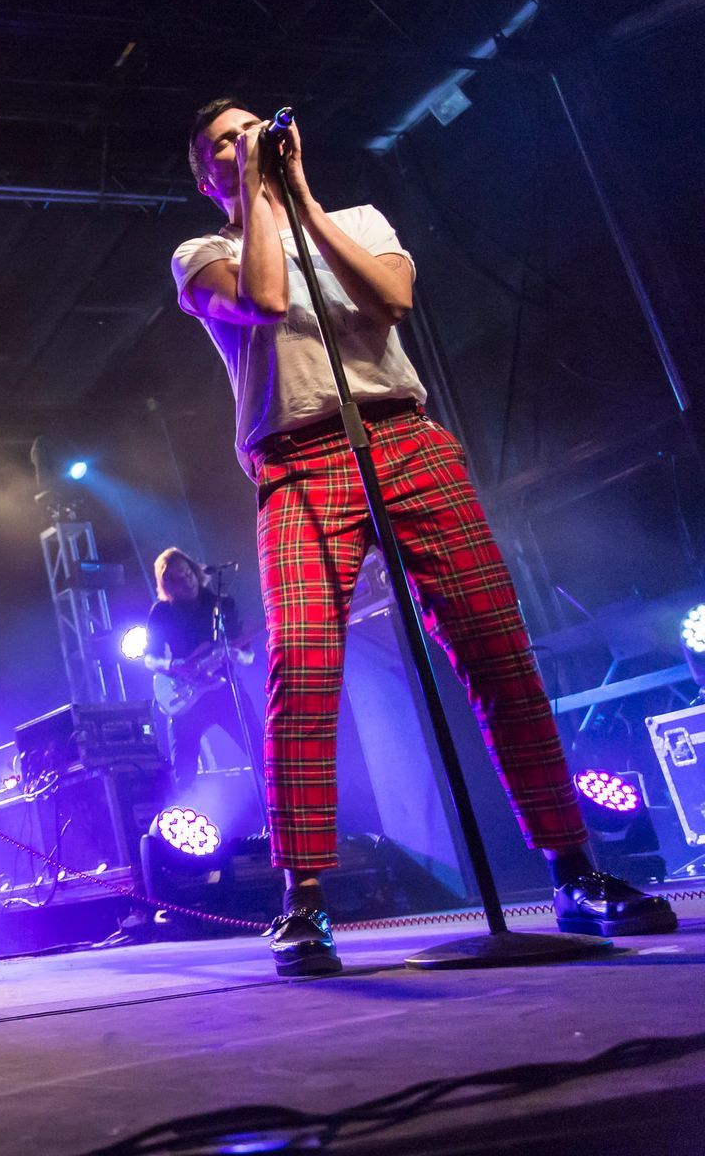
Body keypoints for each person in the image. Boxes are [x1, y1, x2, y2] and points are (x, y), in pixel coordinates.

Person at [170, 98, 675, 977]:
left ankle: (572, 871)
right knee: (305, 663)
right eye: (224, 142)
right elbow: (264, 300)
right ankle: (305, 901)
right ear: (206, 172)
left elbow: (393, 298)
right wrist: (257, 196)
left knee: (497, 649)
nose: (245, 142)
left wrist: (306, 204)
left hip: (405, 440)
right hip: (297, 459)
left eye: (254, 128)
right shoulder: (202, 251)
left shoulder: (358, 219)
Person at [142, 548, 254, 790]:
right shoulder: (162, 612)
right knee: (184, 775)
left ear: (195, 571)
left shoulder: (222, 603)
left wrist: (239, 655)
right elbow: (149, 658)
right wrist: (172, 666)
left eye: (188, 574)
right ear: (168, 585)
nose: (187, 581)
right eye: (178, 579)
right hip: (186, 696)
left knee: (262, 753)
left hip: (226, 690)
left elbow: (248, 655)